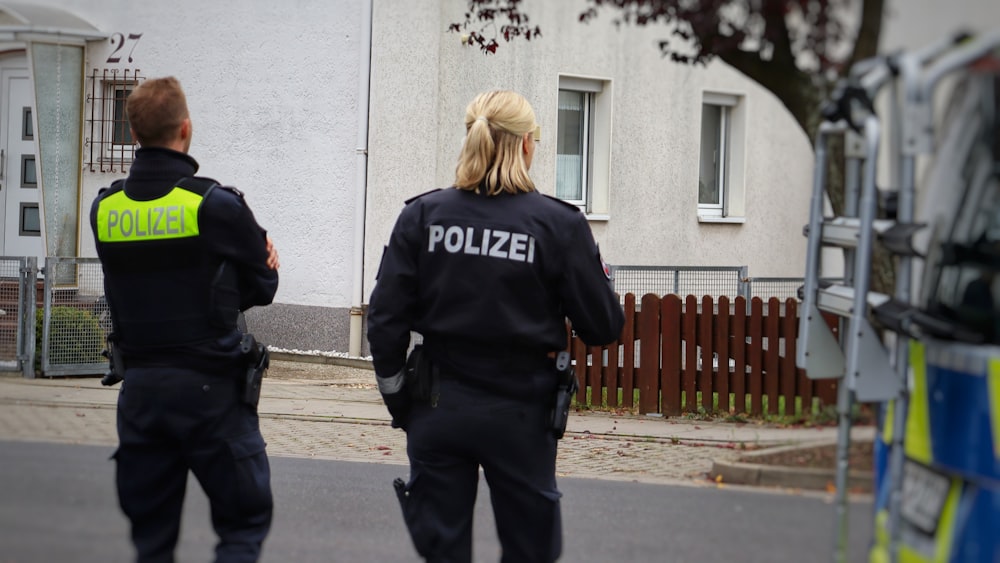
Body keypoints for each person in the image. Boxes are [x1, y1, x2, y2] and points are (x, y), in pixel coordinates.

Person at [366, 90, 625, 562]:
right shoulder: (558, 225)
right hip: (522, 413)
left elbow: (384, 320)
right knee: (530, 551)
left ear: (471, 138)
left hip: (437, 404)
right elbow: (603, 327)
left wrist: (399, 397)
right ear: (527, 144)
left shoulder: (422, 216)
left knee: (441, 551)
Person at [89, 76, 280, 563]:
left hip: (142, 393)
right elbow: (262, 287)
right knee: (242, 526)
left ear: (133, 135)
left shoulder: (105, 209)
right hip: (210, 392)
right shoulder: (215, 204)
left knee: (151, 541)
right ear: (186, 129)